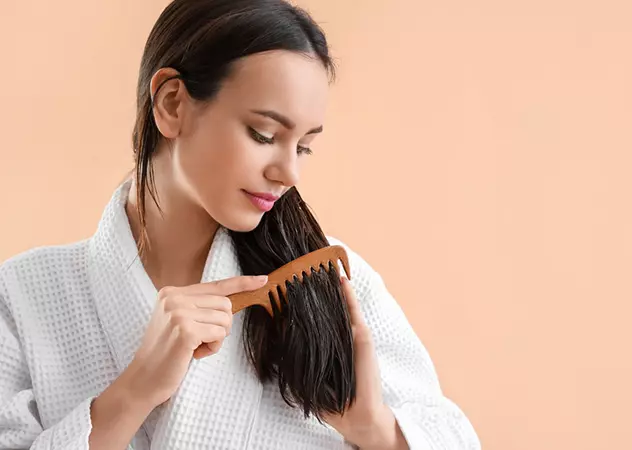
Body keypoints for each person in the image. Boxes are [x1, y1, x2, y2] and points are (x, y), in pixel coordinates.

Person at [0, 1, 481, 449]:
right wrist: (133, 392)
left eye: (304, 146)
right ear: (172, 104)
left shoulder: (328, 286)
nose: (289, 172)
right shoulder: (24, 295)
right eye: (264, 134)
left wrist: (373, 428)